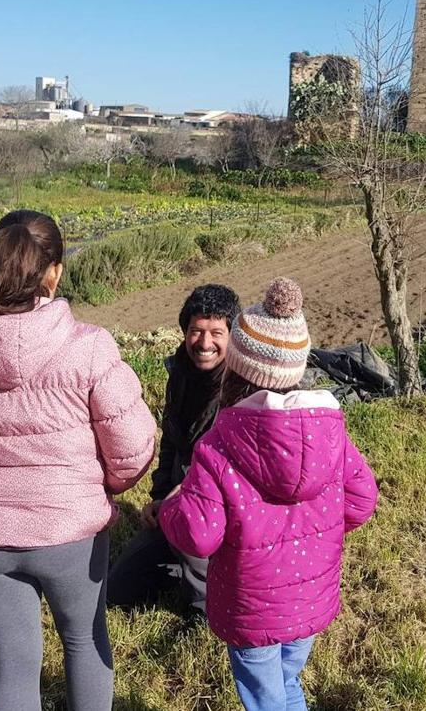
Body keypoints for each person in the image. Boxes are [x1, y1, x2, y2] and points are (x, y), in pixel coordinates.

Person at [0, 209, 157, 711]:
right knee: (84, 642)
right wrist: (103, 488)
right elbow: (132, 449)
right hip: (71, 533)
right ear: (53, 272)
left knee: (11, 667)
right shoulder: (90, 348)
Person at [158, 277, 379, 711]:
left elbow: (199, 536)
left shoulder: (220, 443)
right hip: (311, 601)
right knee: (287, 682)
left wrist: (170, 509)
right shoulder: (330, 433)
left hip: (251, 608)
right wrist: (323, 525)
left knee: (264, 699)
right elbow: (362, 501)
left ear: (236, 370)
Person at [107, 283, 240, 613]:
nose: (204, 343)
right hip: (176, 502)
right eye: (196, 331)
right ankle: (183, 562)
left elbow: (229, 468)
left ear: (232, 336)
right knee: (117, 589)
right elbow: (170, 443)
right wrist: (159, 496)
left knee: (202, 603)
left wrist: (179, 498)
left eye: (216, 333)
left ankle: (207, 606)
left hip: (220, 507)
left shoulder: (240, 387)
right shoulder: (179, 372)